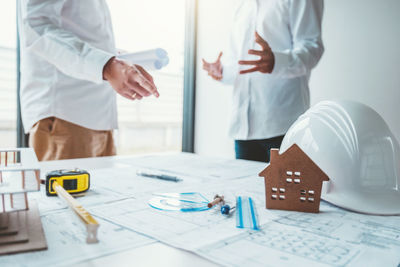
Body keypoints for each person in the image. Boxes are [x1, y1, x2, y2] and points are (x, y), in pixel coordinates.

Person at [18, 0, 159, 161]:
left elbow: (85, 35)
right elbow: (37, 27)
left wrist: (117, 62)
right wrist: (107, 66)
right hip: (65, 117)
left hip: (99, 120)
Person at [203, 0, 324, 162]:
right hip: (243, 128)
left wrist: (277, 61)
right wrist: (222, 71)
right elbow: (238, 63)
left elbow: (312, 48)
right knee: (244, 188)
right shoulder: (242, 6)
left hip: (283, 126)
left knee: (286, 187)